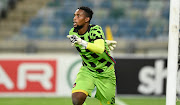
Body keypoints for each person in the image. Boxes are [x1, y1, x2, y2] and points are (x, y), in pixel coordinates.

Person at [67, 6, 117, 105]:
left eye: (78, 15)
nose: (74, 18)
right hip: (87, 71)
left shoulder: (95, 29)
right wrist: (103, 42)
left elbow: (99, 49)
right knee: (77, 100)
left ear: (87, 19)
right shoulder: (72, 32)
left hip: (106, 73)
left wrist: (102, 43)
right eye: (74, 15)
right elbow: (91, 45)